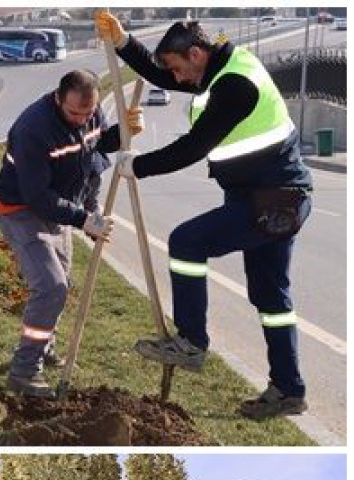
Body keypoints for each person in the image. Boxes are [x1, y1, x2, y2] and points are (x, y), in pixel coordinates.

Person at [95, 13, 313, 420]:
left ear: (196, 53)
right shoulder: (220, 67)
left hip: (273, 201)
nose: (177, 79)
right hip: (270, 198)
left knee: (186, 242)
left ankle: (192, 342)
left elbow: (192, 147)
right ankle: (288, 389)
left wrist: (135, 166)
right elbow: (164, 78)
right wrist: (124, 42)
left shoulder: (235, 85)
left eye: (179, 67)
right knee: (271, 299)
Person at [0, 69, 144, 398]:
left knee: (61, 283)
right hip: (21, 211)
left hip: (61, 208)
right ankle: (23, 370)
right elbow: (36, 195)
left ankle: (44, 344)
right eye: (74, 113)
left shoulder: (90, 114)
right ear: (58, 98)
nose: (81, 120)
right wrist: (82, 219)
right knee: (51, 287)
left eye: (88, 113)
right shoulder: (32, 129)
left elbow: (94, 150)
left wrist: (123, 132)